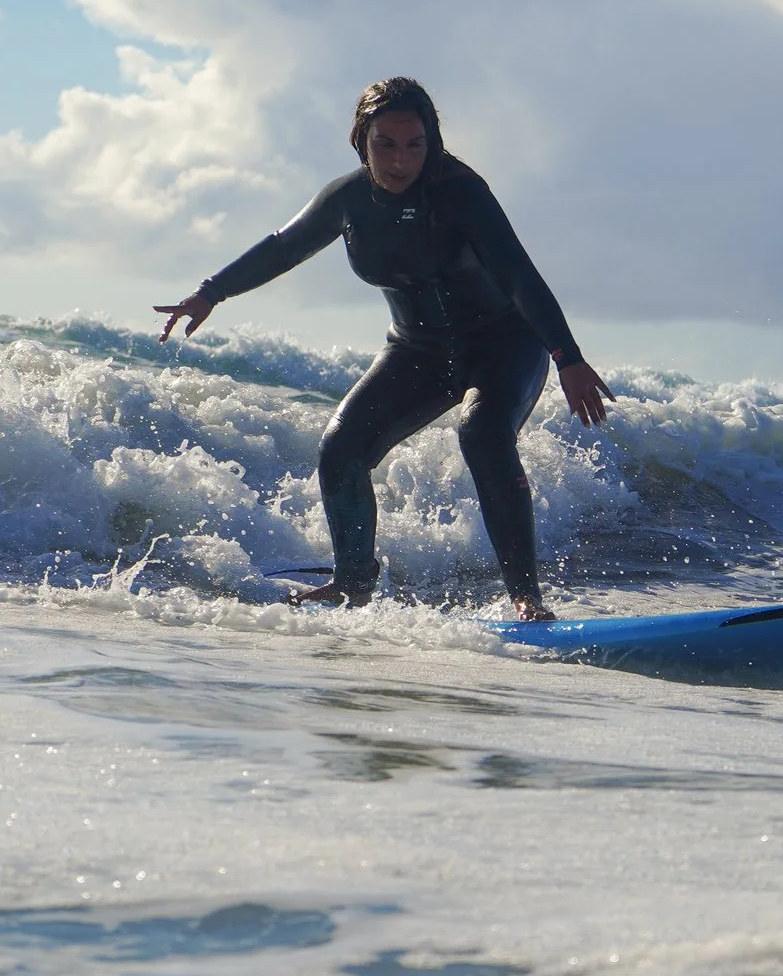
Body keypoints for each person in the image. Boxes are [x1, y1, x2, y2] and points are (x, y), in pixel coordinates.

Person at [155, 77, 612, 619]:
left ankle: (526, 599)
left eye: (414, 145)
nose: (400, 161)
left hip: (503, 343)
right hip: (417, 350)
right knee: (340, 448)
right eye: (385, 145)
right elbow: (284, 247)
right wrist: (211, 292)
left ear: (431, 143)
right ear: (361, 141)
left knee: (483, 433)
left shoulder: (460, 192)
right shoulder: (348, 200)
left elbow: (518, 276)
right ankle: (351, 584)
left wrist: (568, 357)